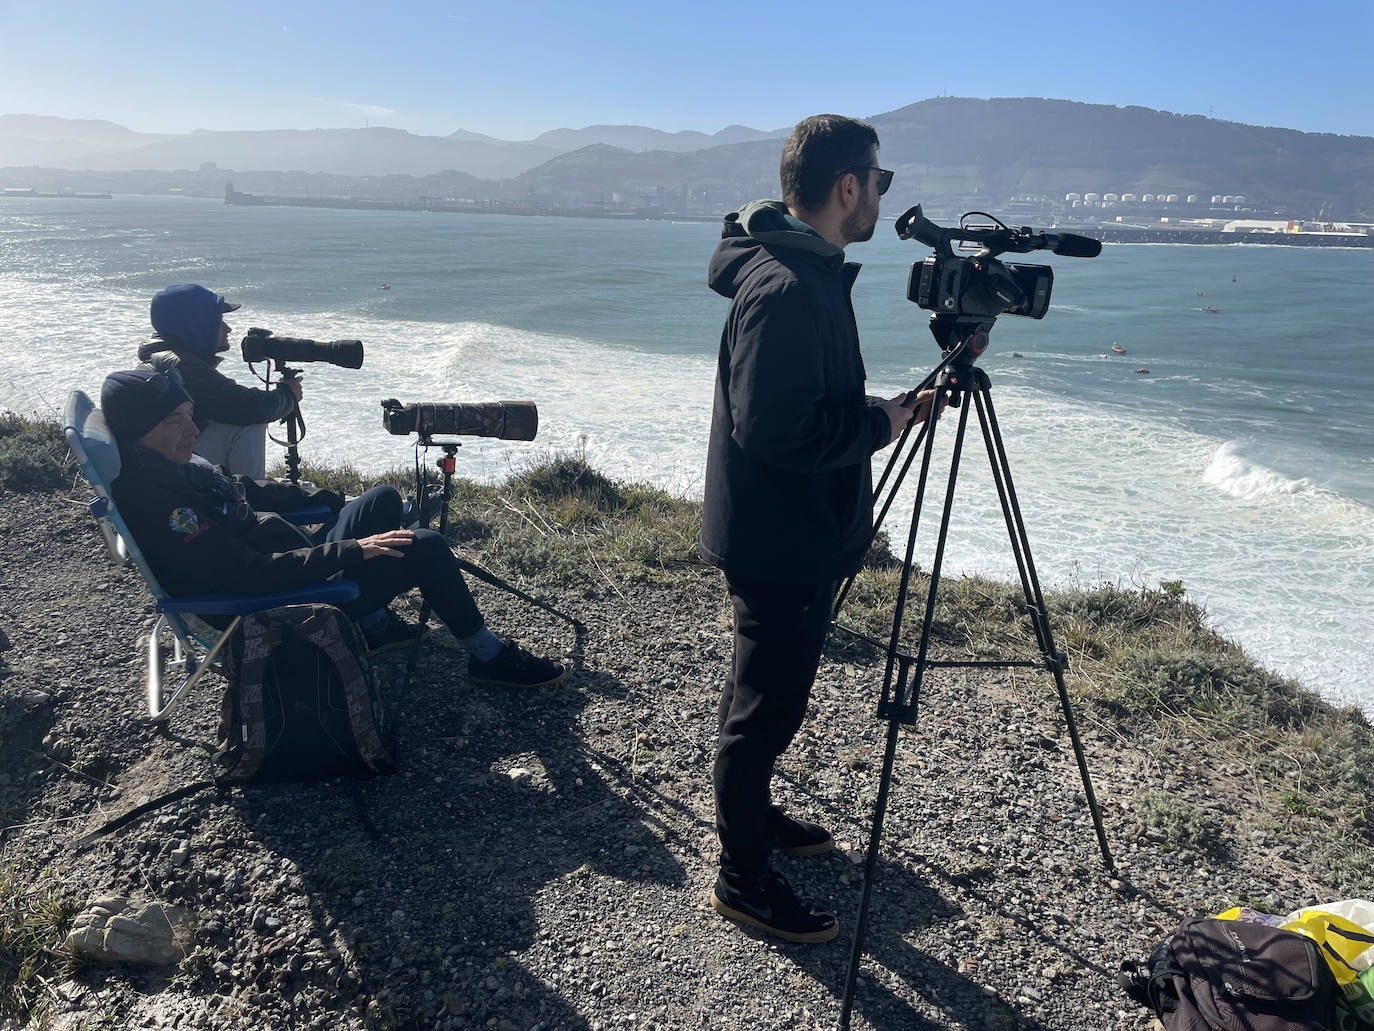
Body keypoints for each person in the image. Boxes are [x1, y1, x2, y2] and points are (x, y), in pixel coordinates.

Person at [700, 114, 937, 943]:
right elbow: (774, 430)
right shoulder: (790, 288)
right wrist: (875, 428)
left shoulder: (805, 269)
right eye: (881, 180)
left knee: (762, 698)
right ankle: (742, 878)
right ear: (848, 187)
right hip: (778, 538)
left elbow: (799, 408)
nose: (881, 193)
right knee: (762, 711)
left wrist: (880, 412)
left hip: (782, 528)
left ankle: (752, 817)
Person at [99, 367, 565, 689]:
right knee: (423, 545)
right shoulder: (160, 502)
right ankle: (489, 657)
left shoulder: (169, 465)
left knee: (381, 497)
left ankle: (374, 627)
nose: (192, 431)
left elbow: (237, 487)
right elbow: (248, 575)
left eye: (188, 417)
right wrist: (354, 551)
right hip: (275, 603)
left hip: (291, 564)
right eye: (172, 422)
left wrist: (316, 497)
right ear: (138, 429)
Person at [137, 283, 299, 479]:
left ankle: (248, 487)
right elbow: (248, 407)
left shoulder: (167, 358)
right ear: (196, 325)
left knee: (235, 417)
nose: (227, 329)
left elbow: (226, 401)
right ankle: (251, 498)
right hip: (169, 469)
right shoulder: (182, 365)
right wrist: (288, 394)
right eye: (219, 321)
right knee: (248, 423)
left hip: (158, 460)